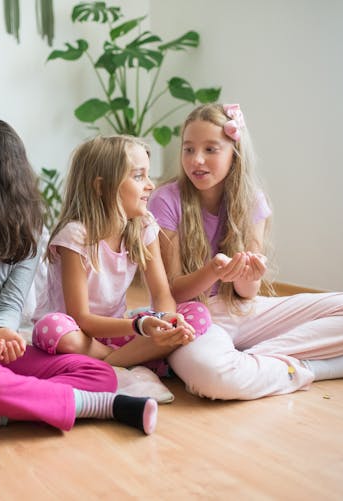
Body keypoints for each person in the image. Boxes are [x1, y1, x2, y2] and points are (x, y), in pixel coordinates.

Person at [0, 113, 158, 453]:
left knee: (96, 372)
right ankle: (102, 406)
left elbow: (11, 301)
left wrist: (0, 331)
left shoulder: (27, 229)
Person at [147, 103, 343, 400]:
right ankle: (320, 368)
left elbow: (247, 294)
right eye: (188, 149)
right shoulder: (166, 200)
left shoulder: (251, 200)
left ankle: (248, 361)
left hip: (243, 311)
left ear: (234, 153)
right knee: (215, 380)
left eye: (211, 149)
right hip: (191, 316)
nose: (196, 160)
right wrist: (212, 270)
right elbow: (172, 293)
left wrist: (248, 275)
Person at [32, 135, 211, 375]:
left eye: (147, 175)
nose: (150, 185)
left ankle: (114, 361)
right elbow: (81, 318)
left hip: (115, 332)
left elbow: (161, 294)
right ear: (101, 187)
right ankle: (127, 361)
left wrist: (168, 325)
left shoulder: (143, 225)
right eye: (139, 176)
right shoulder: (75, 237)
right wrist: (141, 326)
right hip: (76, 333)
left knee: (195, 313)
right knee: (51, 327)